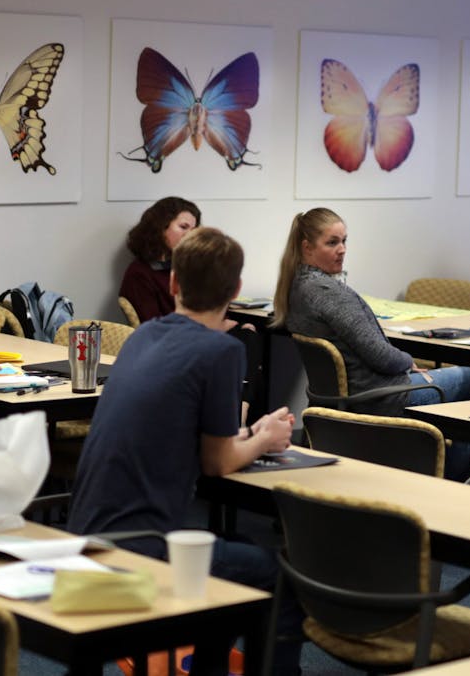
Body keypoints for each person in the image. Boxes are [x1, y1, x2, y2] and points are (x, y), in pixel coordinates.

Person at [68, 226, 302, 676]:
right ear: (235, 290)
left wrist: (253, 432)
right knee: (281, 577)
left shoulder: (144, 336)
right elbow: (217, 462)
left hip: (85, 534)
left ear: (173, 283)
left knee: (237, 555)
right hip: (142, 548)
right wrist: (266, 440)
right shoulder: (220, 350)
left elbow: (192, 436)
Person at [272, 207, 470, 414]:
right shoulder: (328, 292)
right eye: (332, 242)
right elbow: (381, 356)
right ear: (307, 248)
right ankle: (442, 449)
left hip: (346, 397)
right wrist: (408, 362)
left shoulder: (297, 286)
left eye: (344, 241)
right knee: (468, 376)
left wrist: (403, 364)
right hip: (379, 398)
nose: (342, 249)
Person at [120, 196, 201, 322]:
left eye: (193, 230)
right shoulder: (139, 274)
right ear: (161, 227)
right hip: (180, 337)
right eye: (183, 227)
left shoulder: (183, 266)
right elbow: (154, 327)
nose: (190, 235)